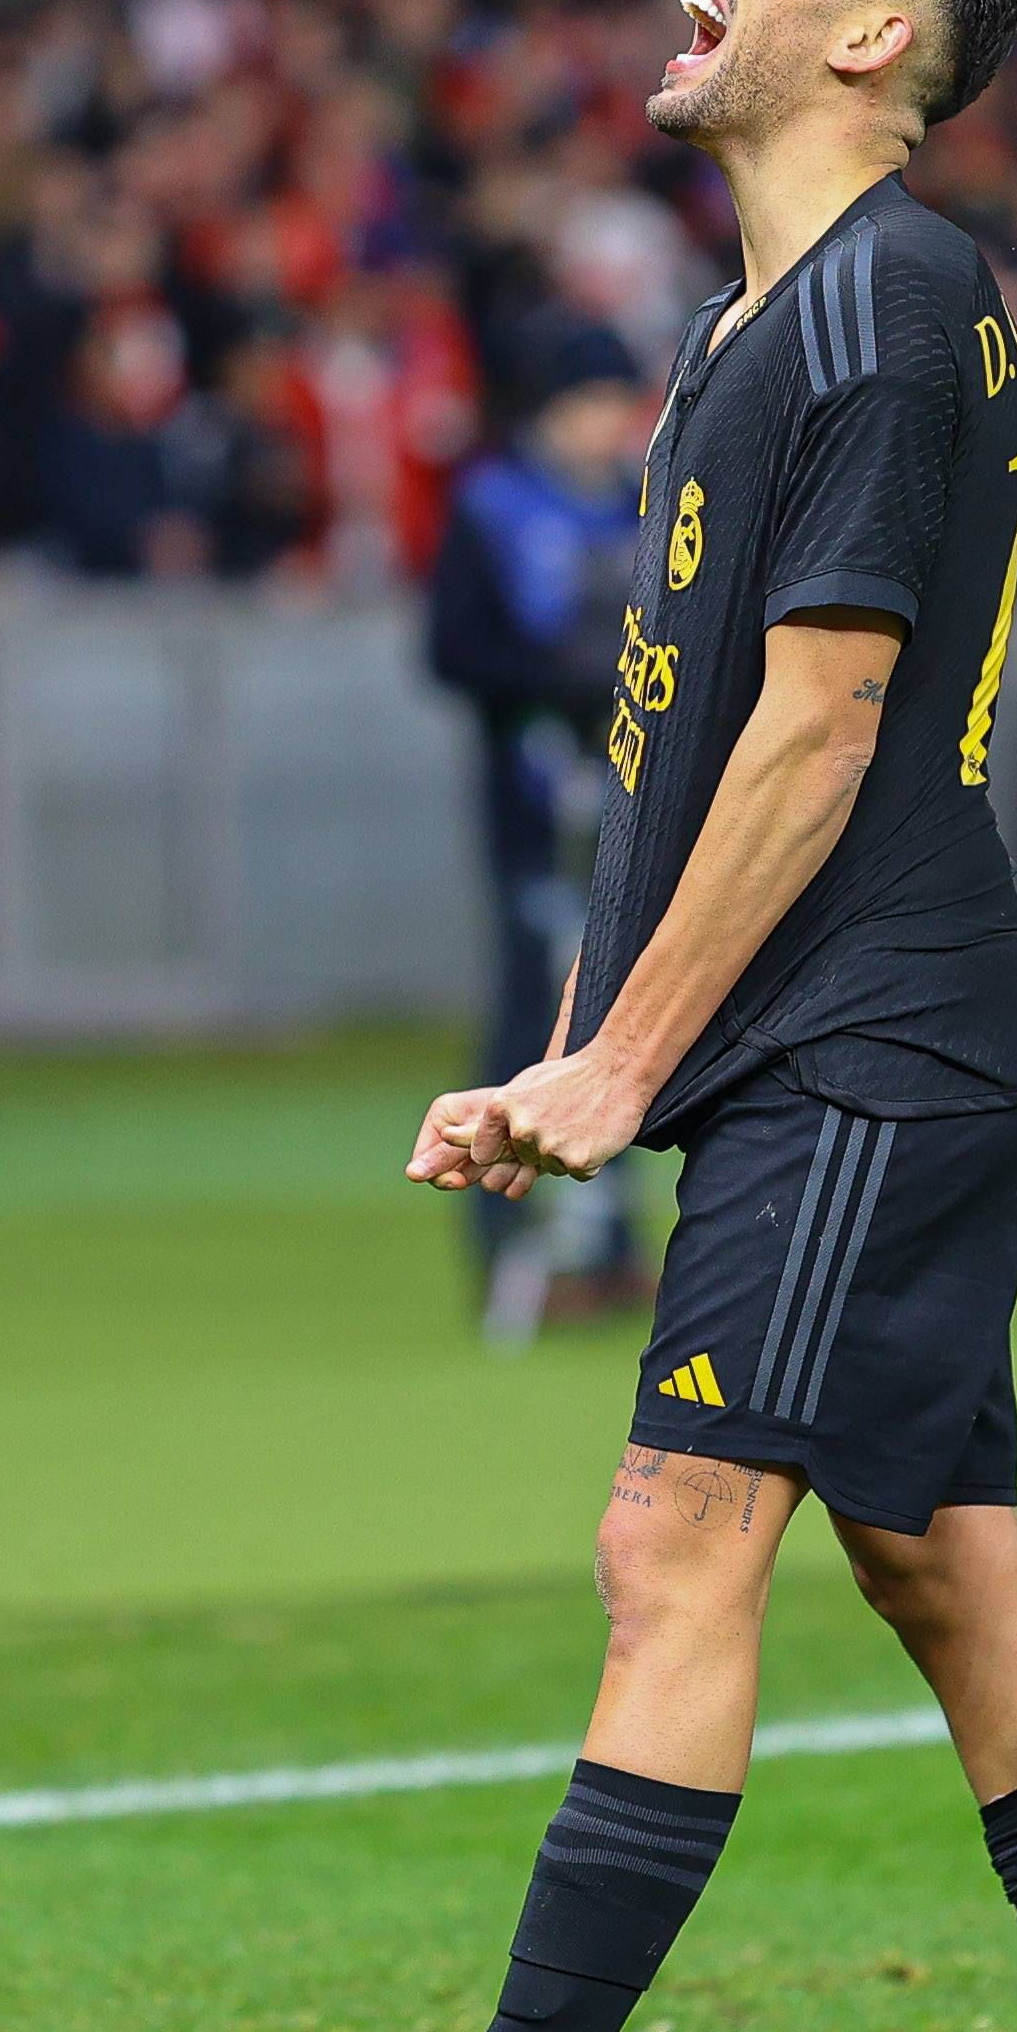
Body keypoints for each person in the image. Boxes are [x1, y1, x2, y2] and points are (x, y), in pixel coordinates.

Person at [204, 0, 1017, 2032]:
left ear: (878, 40)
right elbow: (685, 753)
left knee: (676, 1541)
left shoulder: (887, 293)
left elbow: (819, 730)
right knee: (942, 1554)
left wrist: (624, 1069)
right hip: (861, 1032)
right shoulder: (759, 322)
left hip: (869, 1037)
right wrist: (576, 1052)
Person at [424, 324, 650, 1335]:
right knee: (531, 1015)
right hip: (532, 798)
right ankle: (511, 1248)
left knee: (627, 1019)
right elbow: (451, 651)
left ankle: (612, 1246)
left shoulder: (645, 499)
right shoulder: (494, 506)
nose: (610, 424)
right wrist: (555, 680)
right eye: (594, 402)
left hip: (634, 800)